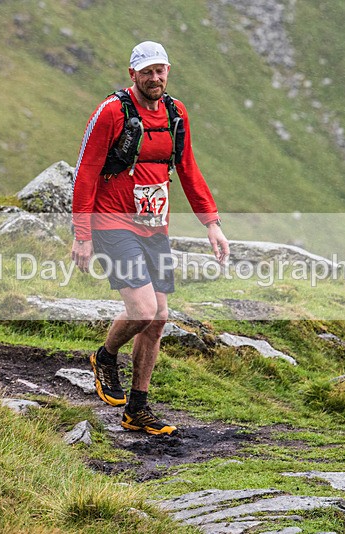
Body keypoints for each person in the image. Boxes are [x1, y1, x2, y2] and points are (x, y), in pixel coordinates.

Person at [71, 41, 229, 436]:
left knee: (158, 320)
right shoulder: (112, 112)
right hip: (112, 223)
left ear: (168, 71)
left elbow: (188, 169)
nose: (154, 78)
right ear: (133, 75)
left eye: (160, 71)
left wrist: (212, 223)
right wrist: (82, 235)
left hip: (154, 226)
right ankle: (105, 357)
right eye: (147, 72)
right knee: (142, 309)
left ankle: (137, 410)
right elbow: (86, 171)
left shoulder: (176, 114)